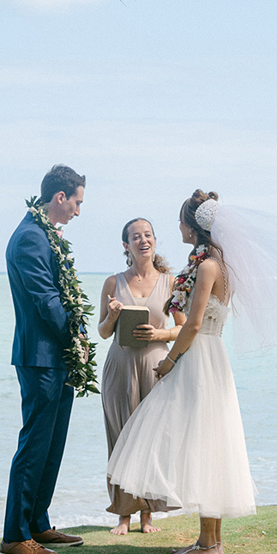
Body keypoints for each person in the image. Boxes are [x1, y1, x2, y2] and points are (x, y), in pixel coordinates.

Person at [106, 189, 257, 554]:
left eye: (180, 222)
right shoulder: (216, 263)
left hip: (200, 356)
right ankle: (210, 541)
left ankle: (208, 543)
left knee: (205, 444)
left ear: (193, 226)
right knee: (207, 442)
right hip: (209, 357)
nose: (177, 228)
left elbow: (191, 324)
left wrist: (170, 361)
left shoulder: (206, 267)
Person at [1, 164, 91, 554]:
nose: (77, 211)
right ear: (59, 198)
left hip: (57, 357)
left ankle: (37, 522)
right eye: (76, 202)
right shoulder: (30, 238)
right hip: (40, 357)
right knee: (34, 445)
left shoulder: (43, 234)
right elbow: (46, 300)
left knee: (53, 444)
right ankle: (15, 536)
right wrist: (75, 337)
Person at [98, 218, 183, 535]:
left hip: (157, 369)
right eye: (136, 236)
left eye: (147, 235)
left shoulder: (171, 282)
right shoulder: (112, 282)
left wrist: (158, 333)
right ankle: (123, 515)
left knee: (153, 440)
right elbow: (103, 331)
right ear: (126, 245)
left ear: (155, 241)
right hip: (120, 369)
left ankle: (148, 515)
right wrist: (115, 315)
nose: (142, 240)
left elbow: (183, 327)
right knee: (121, 439)